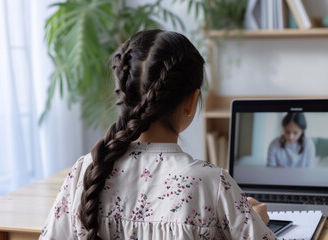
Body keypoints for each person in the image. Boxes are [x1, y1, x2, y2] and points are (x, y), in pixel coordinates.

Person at [39, 30, 276, 240]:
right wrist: (252, 219)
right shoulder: (210, 183)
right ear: (191, 101)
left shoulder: (86, 170)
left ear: (122, 95)